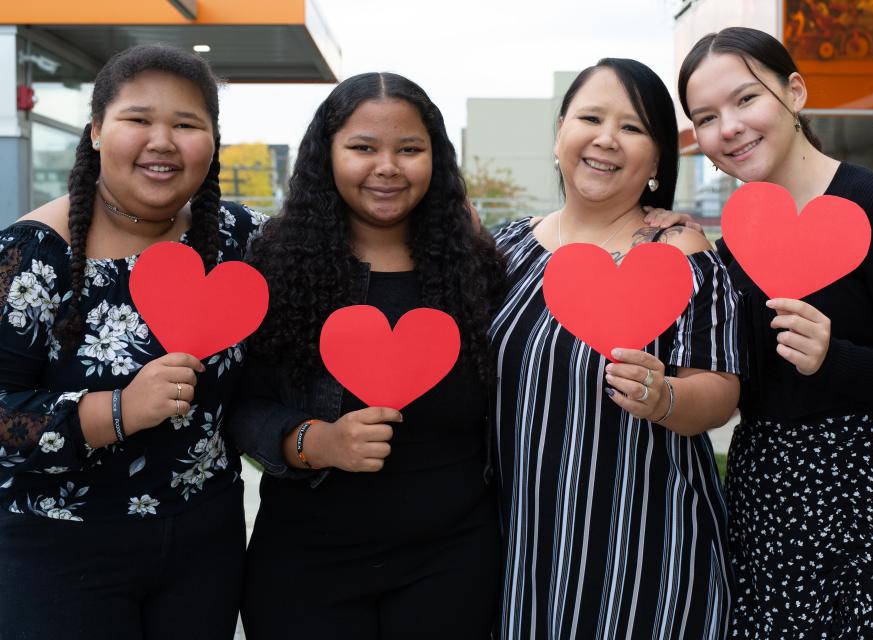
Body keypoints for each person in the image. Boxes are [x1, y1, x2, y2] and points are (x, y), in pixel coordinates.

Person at [678, 26, 873, 638]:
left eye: (745, 99)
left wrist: (836, 358)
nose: (729, 127)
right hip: (766, 493)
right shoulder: (726, 250)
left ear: (794, 93)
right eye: (706, 116)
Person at [227, 72, 506, 639]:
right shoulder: (276, 266)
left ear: (436, 158)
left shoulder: (477, 268)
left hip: (453, 562)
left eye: (410, 149)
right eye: (362, 148)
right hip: (307, 565)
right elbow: (239, 405)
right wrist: (311, 442)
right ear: (325, 154)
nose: (387, 166)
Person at [0, 45, 266, 639]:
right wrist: (114, 411)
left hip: (206, 546)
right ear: (96, 131)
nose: (163, 141)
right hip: (59, 551)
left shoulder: (242, 240)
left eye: (187, 124)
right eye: (138, 119)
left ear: (213, 142)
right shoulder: (29, 255)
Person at [489, 58, 742, 639]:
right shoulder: (504, 249)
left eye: (632, 127)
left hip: (640, 547)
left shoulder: (679, 252)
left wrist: (665, 397)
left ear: (657, 159)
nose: (606, 138)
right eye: (591, 117)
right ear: (560, 135)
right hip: (519, 542)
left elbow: (721, 393)